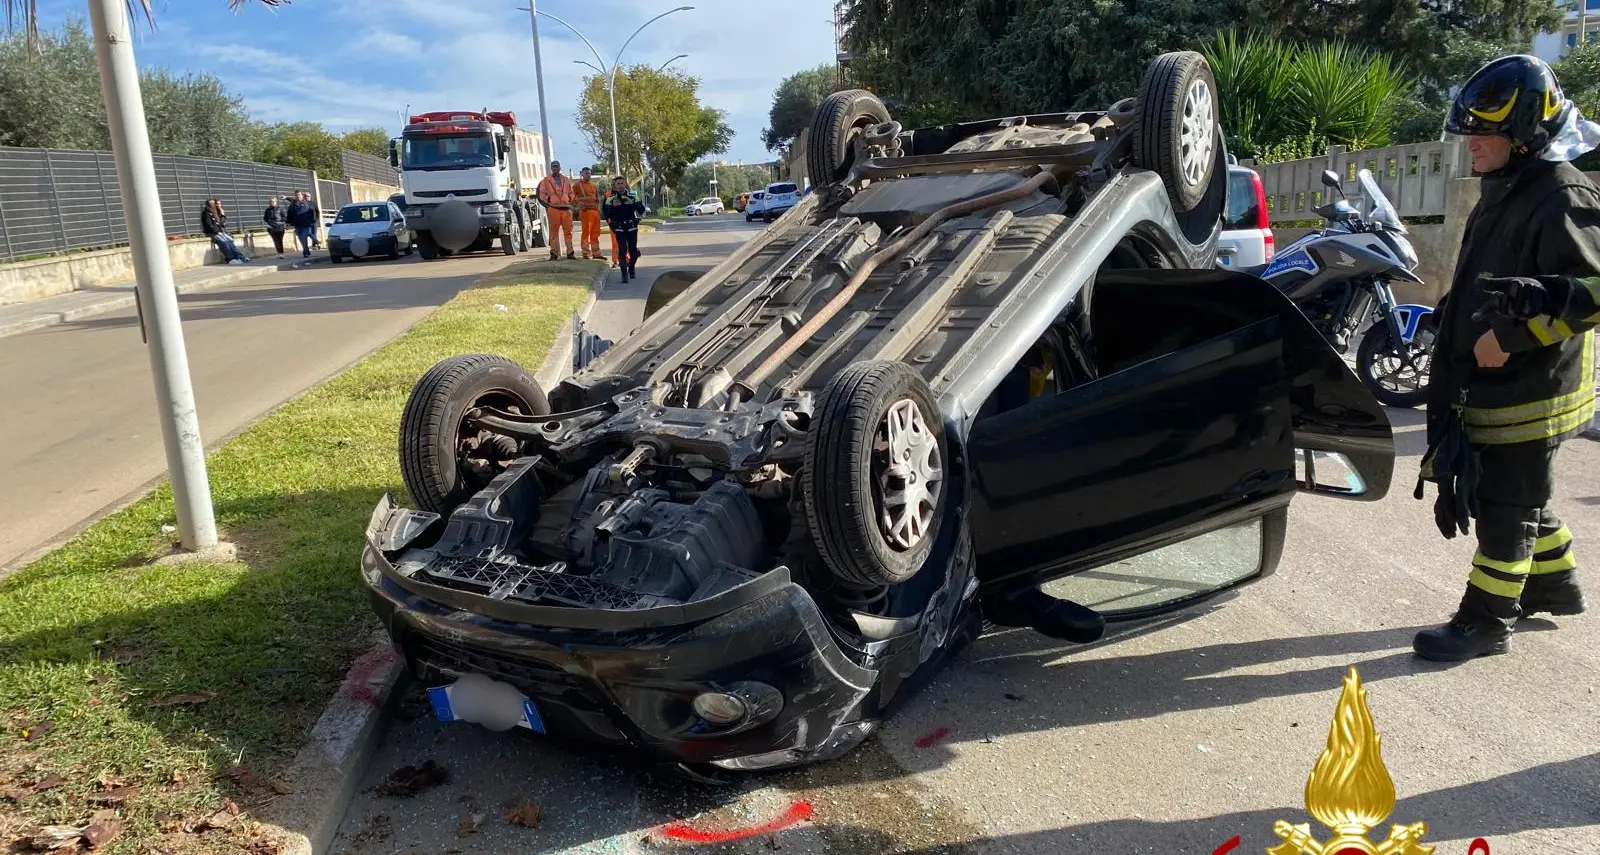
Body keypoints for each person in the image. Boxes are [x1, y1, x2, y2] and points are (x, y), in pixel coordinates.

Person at [1412, 54, 1600, 662]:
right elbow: (1492, 272)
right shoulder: (1508, 186)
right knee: (1517, 494)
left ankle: (1485, 623)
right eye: (1468, 133)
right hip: (1496, 383)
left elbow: (1590, 295)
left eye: (1485, 133)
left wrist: (1511, 337)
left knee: (1504, 504)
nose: (1472, 144)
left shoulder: (1563, 193)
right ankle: (1556, 585)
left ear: (1526, 133)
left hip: (1531, 388)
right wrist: (1453, 315)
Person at [602, 176, 645, 282]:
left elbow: (642, 210)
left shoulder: (633, 196)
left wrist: (633, 203)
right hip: (619, 228)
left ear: (625, 184)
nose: (620, 185)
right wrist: (612, 207)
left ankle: (631, 268)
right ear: (615, 186)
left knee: (633, 251)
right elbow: (606, 214)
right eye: (618, 184)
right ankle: (624, 274)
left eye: (622, 183)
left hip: (631, 227)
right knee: (622, 250)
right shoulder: (610, 199)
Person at [537, 160, 576, 261]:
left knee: (568, 232)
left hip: (566, 209)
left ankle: (570, 252)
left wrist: (569, 199)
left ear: (559, 167)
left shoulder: (566, 179)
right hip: (553, 209)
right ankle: (554, 253)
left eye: (557, 166)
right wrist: (549, 200)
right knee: (553, 233)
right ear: (551, 168)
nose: (555, 168)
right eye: (553, 167)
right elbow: (542, 194)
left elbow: (571, 192)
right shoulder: (546, 180)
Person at [201, 198, 250, 265]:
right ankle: (230, 259)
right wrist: (217, 232)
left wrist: (222, 215)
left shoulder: (215, 213)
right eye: (211, 204)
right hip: (212, 233)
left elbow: (221, 224)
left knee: (230, 240)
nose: (213, 205)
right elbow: (208, 224)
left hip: (219, 232)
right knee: (223, 242)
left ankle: (240, 257)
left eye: (213, 204)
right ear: (207, 205)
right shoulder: (206, 213)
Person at [573, 166, 603, 260]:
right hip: (585, 212)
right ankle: (586, 253)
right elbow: (572, 198)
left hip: (595, 212)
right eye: (586, 173)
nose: (588, 175)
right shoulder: (577, 185)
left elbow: (598, 199)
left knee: (595, 234)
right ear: (581, 173)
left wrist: (599, 209)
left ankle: (596, 253)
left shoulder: (594, 186)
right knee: (586, 233)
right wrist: (580, 204)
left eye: (590, 173)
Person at [286, 191, 319, 258]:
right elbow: (289, 215)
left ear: (302, 196)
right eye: (297, 195)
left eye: (299, 195)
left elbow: (312, 212)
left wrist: (313, 221)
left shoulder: (307, 204)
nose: (298, 196)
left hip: (306, 225)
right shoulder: (292, 205)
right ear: (295, 196)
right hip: (297, 225)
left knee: (303, 238)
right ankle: (311, 245)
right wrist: (288, 223)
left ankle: (305, 252)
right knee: (301, 238)